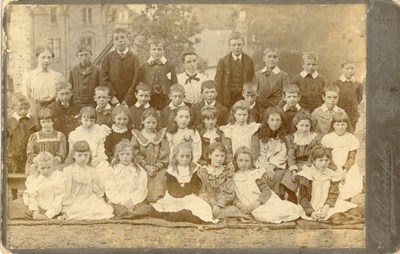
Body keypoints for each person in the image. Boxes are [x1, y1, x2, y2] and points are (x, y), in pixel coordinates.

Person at [231, 147, 301, 223]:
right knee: (259, 215)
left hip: (261, 202)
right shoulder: (233, 177)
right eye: (240, 160)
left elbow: (266, 191)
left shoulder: (255, 174)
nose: (244, 163)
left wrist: (256, 203)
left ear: (251, 162)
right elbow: (233, 195)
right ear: (235, 161)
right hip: (245, 204)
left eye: (247, 161)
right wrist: (240, 205)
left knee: (284, 210)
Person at [152, 142, 217, 223]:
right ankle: (183, 215)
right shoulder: (172, 171)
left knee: (202, 207)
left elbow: (195, 187)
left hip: (192, 197)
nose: (185, 159)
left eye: (188, 156)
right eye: (182, 156)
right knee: (170, 207)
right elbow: (173, 190)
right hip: (175, 198)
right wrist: (186, 187)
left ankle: (187, 215)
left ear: (191, 156)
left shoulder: (195, 169)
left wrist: (183, 186)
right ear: (176, 156)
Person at [297, 146, 359, 222]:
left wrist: (326, 208)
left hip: (328, 204)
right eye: (320, 160)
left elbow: (333, 193)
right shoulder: (306, 175)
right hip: (311, 205)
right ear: (313, 161)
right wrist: (311, 212)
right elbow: (302, 197)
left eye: (326, 160)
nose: (324, 163)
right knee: (336, 217)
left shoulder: (332, 175)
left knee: (354, 212)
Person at [61, 141, 114, 220]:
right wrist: (64, 210)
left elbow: (97, 190)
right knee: (77, 211)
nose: (83, 158)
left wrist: (104, 199)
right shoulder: (68, 171)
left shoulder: (92, 171)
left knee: (105, 210)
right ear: (73, 156)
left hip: (90, 198)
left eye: (86, 155)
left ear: (89, 155)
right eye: (79, 155)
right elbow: (66, 191)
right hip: (75, 199)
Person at [197, 142, 249, 220]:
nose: (220, 159)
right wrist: (213, 204)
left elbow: (228, 191)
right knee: (203, 210)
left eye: (222, 156)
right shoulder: (203, 171)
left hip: (224, 202)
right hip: (208, 201)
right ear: (210, 155)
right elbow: (202, 191)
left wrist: (219, 205)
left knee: (232, 210)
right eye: (217, 155)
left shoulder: (226, 171)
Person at [8, 152, 66, 220]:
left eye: (49, 167)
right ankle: (35, 214)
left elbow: (59, 200)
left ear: (53, 166)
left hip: (52, 208)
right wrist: (35, 211)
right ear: (38, 168)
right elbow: (32, 197)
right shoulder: (35, 179)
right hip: (38, 206)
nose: (46, 171)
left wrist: (48, 215)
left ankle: (46, 215)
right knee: (9, 207)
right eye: (42, 168)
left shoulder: (57, 178)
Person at [280, 111, 321, 204]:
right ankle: (292, 197)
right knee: (288, 178)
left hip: (310, 164)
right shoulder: (292, 138)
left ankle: (304, 199)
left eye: (307, 126)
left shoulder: (314, 138)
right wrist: (293, 170)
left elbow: (315, 154)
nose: (304, 128)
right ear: (296, 125)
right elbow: (291, 156)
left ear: (311, 126)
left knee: (305, 177)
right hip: (296, 163)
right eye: (301, 125)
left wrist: (308, 165)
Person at [105, 139, 152, 219]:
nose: (125, 157)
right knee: (120, 210)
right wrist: (124, 201)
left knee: (146, 208)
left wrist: (132, 202)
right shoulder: (112, 170)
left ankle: (134, 213)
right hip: (120, 200)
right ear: (118, 156)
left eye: (128, 154)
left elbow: (141, 189)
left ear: (132, 155)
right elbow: (110, 189)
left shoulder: (139, 170)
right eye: (122, 154)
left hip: (135, 199)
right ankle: (129, 213)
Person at [321, 112, 363, 201]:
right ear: (333, 125)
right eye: (338, 124)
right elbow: (327, 157)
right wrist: (336, 170)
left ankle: (346, 203)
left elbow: (351, 158)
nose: (340, 127)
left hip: (346, 166)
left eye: (343, 124)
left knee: (349, 180)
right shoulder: (328, 138)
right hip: (331, 166)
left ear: (347, 125)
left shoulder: (351, 138)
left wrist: (344, 171)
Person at [131, 108, 170, 202]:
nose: (151, 125)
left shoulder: (161, 136)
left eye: (154, 123)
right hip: (142, 167)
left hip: (158, 167)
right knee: (140, 179)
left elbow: (164, 153)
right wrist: (147, 166)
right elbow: (135, 153)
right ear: (142, 121)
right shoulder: (137, 136)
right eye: (148, 122)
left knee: (161, 178)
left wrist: (157, 167)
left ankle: (157, 200)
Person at [7, 94, 39, 199]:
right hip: (14, 154)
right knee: (14, 175)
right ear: (13, 108)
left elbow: (37, 134)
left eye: (25, 108)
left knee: (29, 174)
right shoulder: (10, 121)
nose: (23, 111)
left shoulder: (32, 120)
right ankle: (14, 196)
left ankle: (29, 196)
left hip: (29, 154)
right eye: (20, 108)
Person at [100, 27, 140, 106]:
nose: (120, 40)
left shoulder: (134, 58)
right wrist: (112, 97)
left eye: (122, 37)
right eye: (116, 39)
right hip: (112, 101)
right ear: (113, 42)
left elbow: (136, 80)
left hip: (130, 102)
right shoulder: (108, 58)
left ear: (128, 39)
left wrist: (127, 99)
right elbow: (103, 79)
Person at [21, 45, 65, 117]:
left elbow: (62, 95)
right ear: (37, 58)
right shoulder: (29, 76)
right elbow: (25, 97)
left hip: (53, 110)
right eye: (43, 57)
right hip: (36, 110)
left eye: (49, 57)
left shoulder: (58, 76)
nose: (46, 60)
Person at [214, 32, 255, 108]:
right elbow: (218, 84)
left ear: (243, 44)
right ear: (229, 46)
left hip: (243, 98)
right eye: (234, 45)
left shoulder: (249, 61)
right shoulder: (223, 61)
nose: (237, 47)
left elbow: (251, 81)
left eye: (239, 44)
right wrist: (220, 102)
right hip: (227, 99)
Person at [255, 106, 287, 198]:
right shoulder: (262, 135)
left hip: (278, 164)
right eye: (272, 120)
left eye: (277, 120)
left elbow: (282, 153)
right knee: (262, 176)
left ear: (281, 121)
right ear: (267, 121)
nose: (275, 123)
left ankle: (278, 197)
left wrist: (272, 166)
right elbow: (262, 153)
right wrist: (267, 167)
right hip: (264, 164)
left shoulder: (283, 136)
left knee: (277, 177)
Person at [139, 36, 178, 110]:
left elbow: (174, 83)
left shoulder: (169, 65)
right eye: (154, 49)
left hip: (165, 100)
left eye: (159, 49)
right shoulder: (144, 66)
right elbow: (141, 83)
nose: (156, 52)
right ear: (149, 50)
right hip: (149, 99)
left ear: (164, 50)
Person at [26, 108, 67, 173]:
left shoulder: (60, 135)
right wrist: (40, 162)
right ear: (40, 122)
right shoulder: (35, 136)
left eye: (48, 121)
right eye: (43, 122)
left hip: (54, 164)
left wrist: (53, 162)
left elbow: (61, 153)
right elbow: (31, 153)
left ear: (53, 122)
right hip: (39, 165)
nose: (46, 124)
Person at [331, 59, 363, 132]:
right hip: (339, 114)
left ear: (355, 69)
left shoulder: (358, 84)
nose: (350, 71)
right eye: (347, 68)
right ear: (341, 69)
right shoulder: (336, 83)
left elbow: (359, 99)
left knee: (351, 133)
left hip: (352, 114)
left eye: (352, 68)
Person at [49, 81, 80, 147]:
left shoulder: (78, 108)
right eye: (62, 94)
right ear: (57, 94)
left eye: (67, 93)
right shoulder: (51, 109)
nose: (65, 97)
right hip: (58, 141)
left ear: (72, 93)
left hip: (74, 141)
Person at [68, 44, 100, 109]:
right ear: (77, 56)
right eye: (81, 55)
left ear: (91, 55)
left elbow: (100, 87)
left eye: (86, 55)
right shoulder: (73, 71)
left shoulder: (97, 70)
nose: (84, 58)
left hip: (92, 103)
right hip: (77, 104)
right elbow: (69, 89)